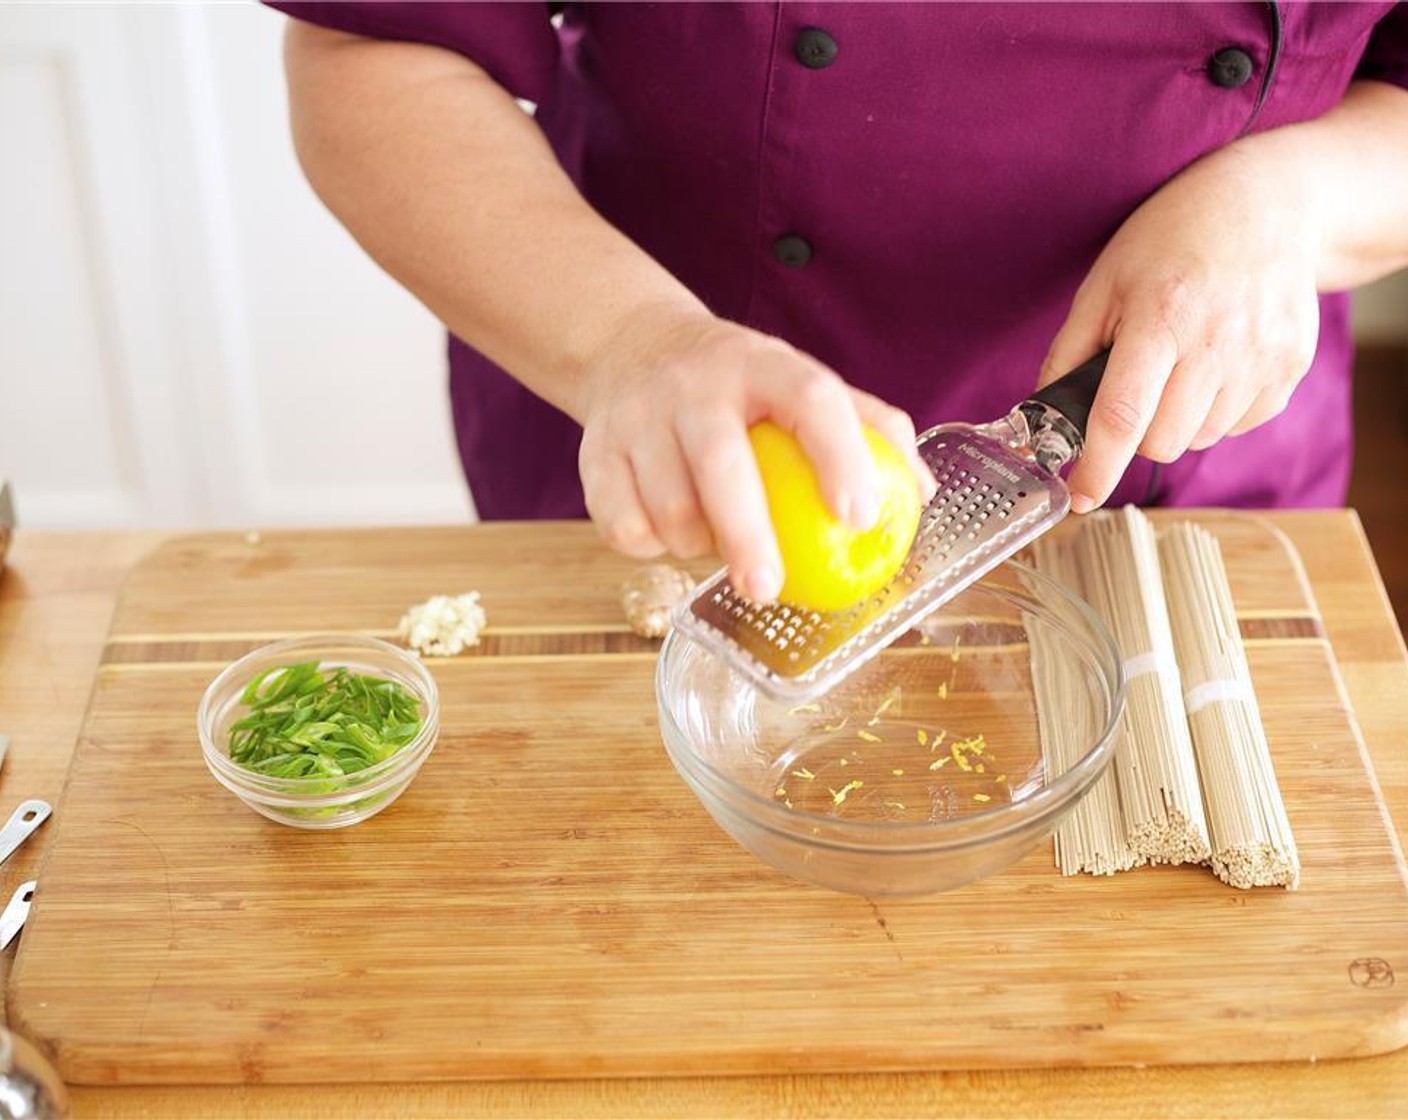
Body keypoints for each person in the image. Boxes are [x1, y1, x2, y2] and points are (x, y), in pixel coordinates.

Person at [269, 2, 1408, 602]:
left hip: (1196, 471)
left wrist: (1291, 201)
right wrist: (631, 343)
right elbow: (376, 44)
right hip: (689, 461)